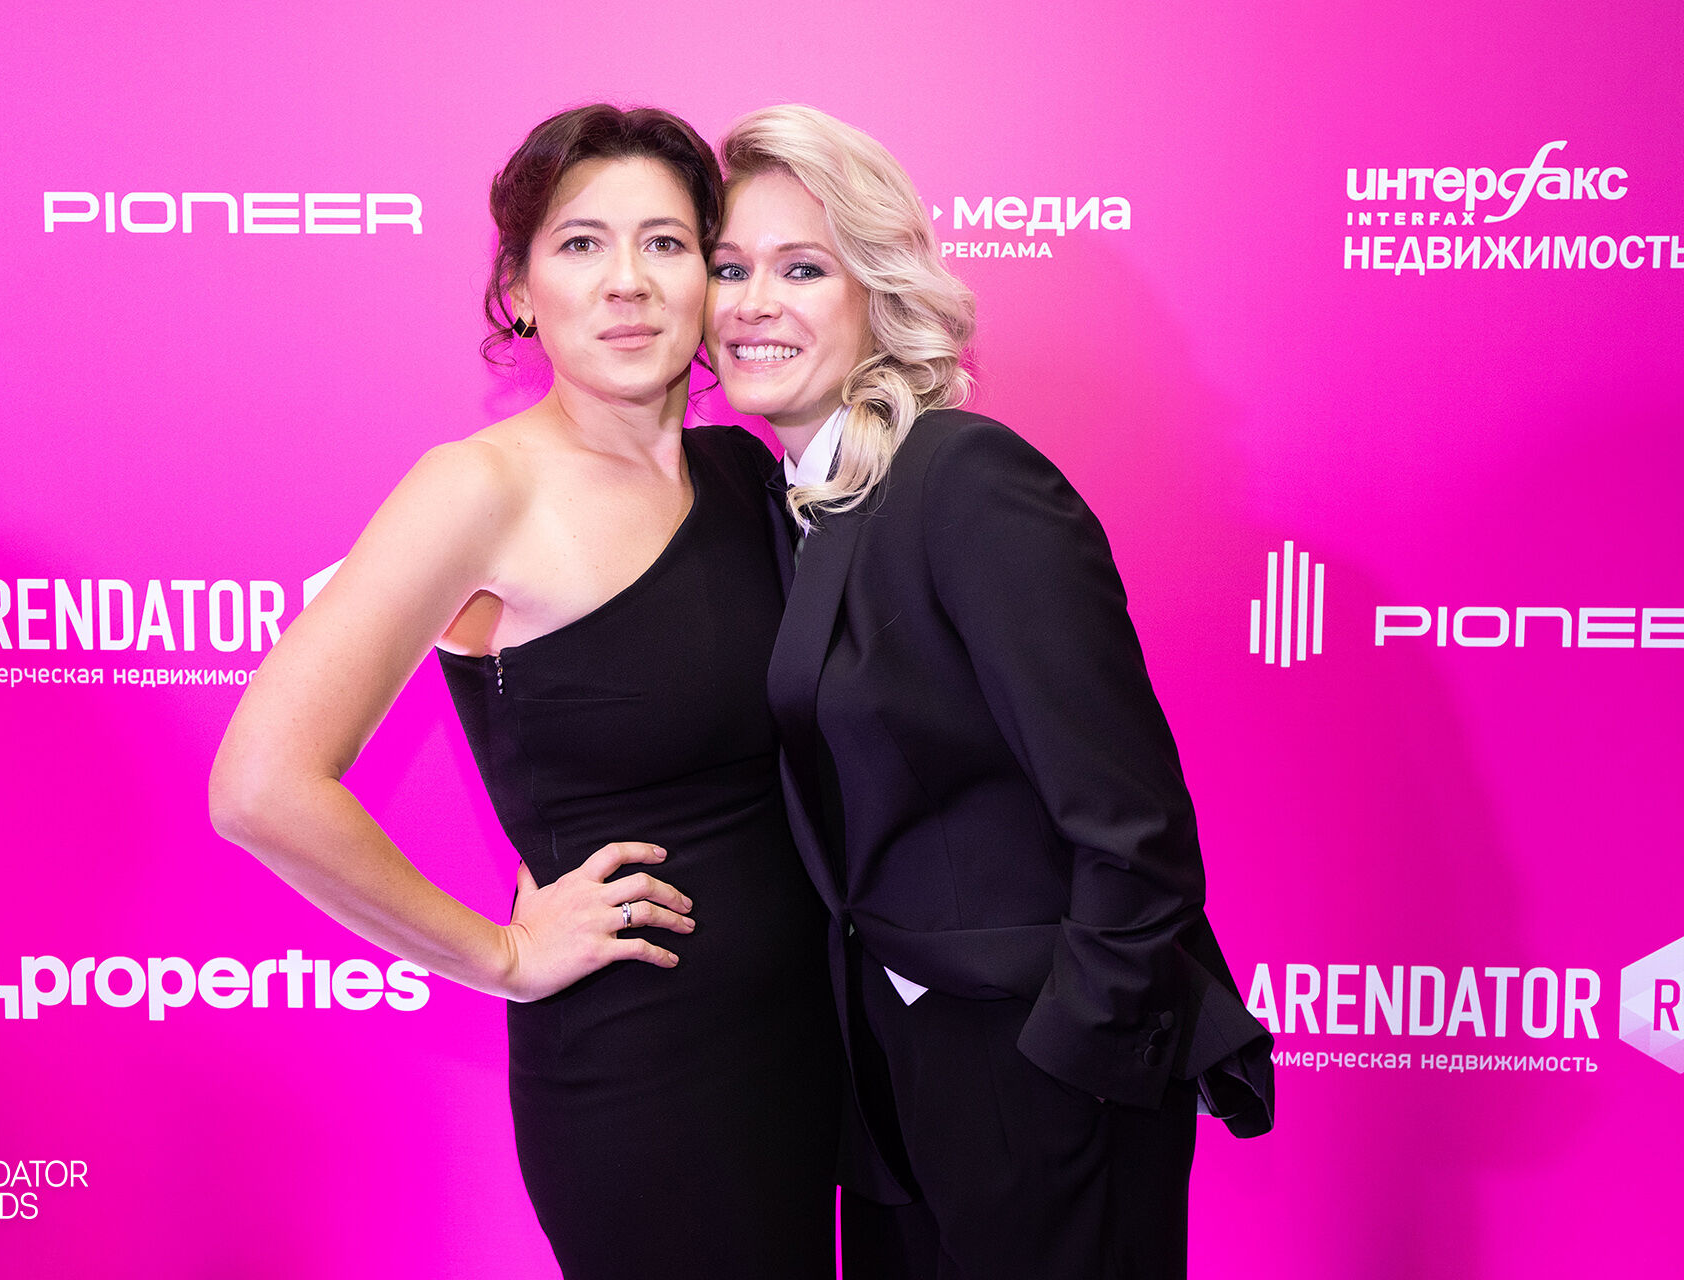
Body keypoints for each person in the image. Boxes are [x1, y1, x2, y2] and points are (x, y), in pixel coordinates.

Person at [209, 104, 838, 1280]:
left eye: (665, 243)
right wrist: (497, 954)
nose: (627, 282)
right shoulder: (478, 489)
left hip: (808, 1048)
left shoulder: (744, 466)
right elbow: (261, 783)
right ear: (520, 286)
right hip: (647, 1080)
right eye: (581, 243)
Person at [704, 104, 1274, 1279]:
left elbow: (1134, 825)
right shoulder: (801, 507)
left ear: (879, 291)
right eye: (728, 268)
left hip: (1035, 1068)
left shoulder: (964, 478)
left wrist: (1070, 1055)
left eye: (802, 268)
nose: (755, 302)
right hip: (891, 1080)